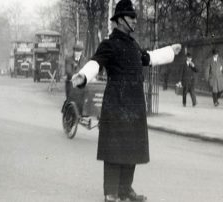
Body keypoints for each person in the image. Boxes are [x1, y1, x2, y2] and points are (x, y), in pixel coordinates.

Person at [71, 0, 181, 201]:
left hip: (135, 103)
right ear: (120, 20)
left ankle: (125, 189)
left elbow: (147, 58)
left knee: (133, 148)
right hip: (116, 102)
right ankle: (111, 192)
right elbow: (96, 62)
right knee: (114, 149)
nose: (135, 21)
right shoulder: (109, 44)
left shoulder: (133, 44)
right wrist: (83, 76)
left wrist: (169, 51)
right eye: (131, 17)